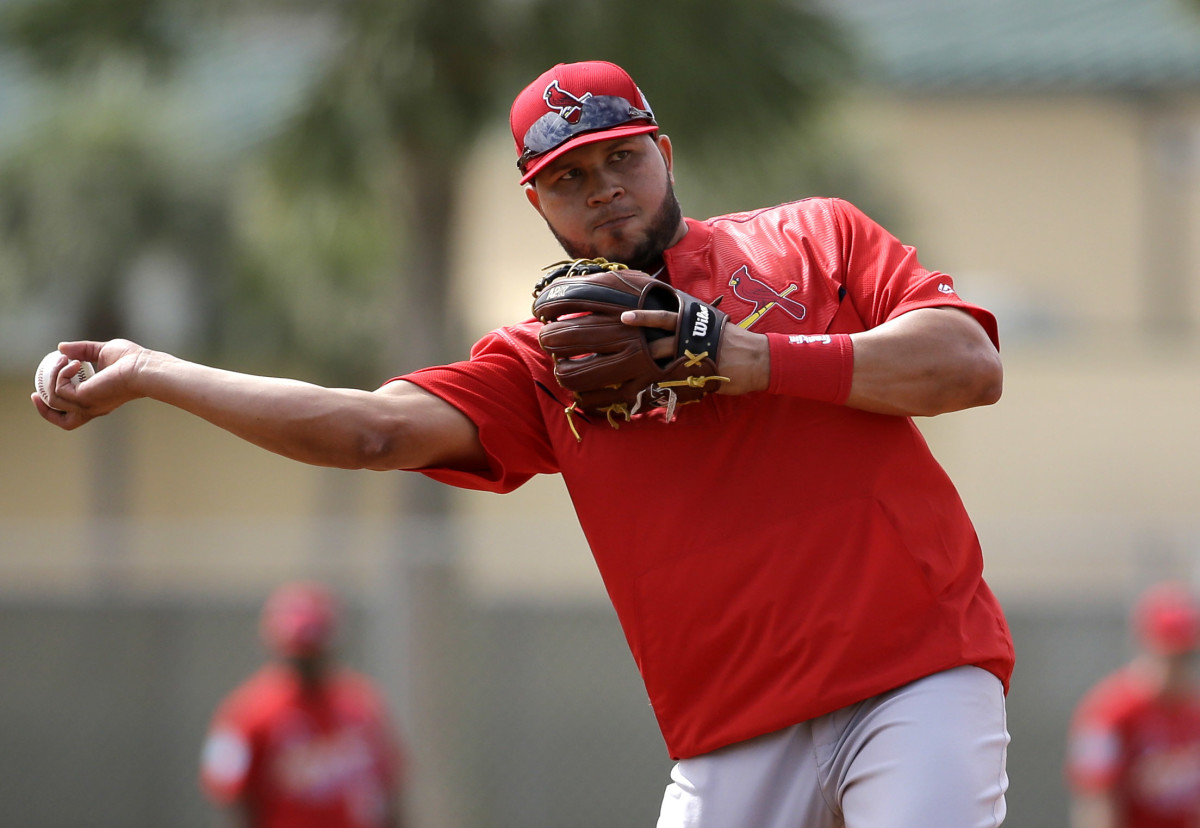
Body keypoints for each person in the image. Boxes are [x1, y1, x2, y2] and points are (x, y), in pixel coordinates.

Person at [35, 60, 1013, 828]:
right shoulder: (544, 364)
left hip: (916, 675)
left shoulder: (813, 240)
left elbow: (967, 364)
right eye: (569, 177)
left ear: (664, 152)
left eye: (622, 158)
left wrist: (743, 356)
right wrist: (154, 370)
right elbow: (369, 430)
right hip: (730, 730)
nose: (604, 189)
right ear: (536, 202)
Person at [199, 581, 407, 828]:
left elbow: (391, 786)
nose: (307, 664)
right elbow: (229, 793)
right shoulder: (246, 713)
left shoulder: (362, 706)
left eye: (315, 652)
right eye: (300, 653)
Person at [1065, 581, 1200, 828]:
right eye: (1170, 656)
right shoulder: (1108, 712)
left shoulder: (1193, 711)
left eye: (1187, 657)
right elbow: (1095, 799)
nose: (1179, 668)